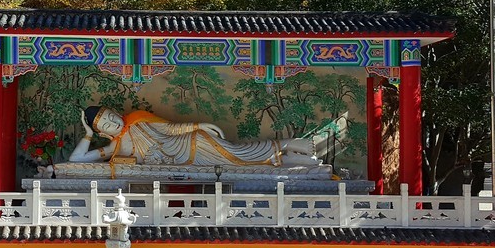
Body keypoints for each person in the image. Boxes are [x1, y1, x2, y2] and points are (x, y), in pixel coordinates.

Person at [68, 106, 319, 167]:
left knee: (238, 154)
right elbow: (76, 160)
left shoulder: (138, 118)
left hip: (193, 144)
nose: (114, 122)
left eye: (111, 116)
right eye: (107, 125)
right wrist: (88, 135)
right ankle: (291, 160)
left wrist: (201, 125)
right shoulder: (116, 148)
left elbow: (172, 129)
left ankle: (287, 144)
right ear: (104, 133)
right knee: (239, 164)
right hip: (186, 162)